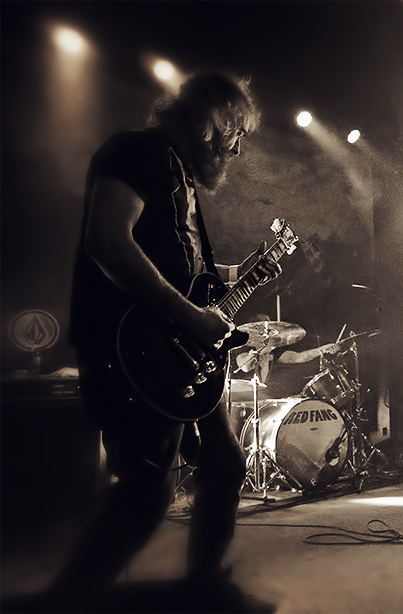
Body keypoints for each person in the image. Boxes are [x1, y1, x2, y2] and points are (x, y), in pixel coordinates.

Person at [55, 73, 278, 611]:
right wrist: (193, 318)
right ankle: (66, 600)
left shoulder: (181, 178)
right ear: (213, 120)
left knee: (223, 462)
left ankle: (204, 583)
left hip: (176, 350)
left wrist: (239, 274)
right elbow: (107, 240)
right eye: (237, 131)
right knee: (147, 487)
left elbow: (184, 272)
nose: (239, 146)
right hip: (134, 351)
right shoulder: (136, 151)